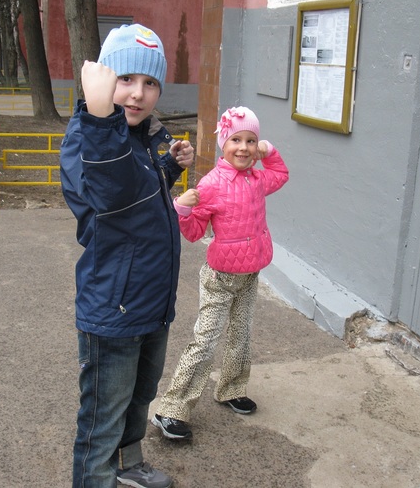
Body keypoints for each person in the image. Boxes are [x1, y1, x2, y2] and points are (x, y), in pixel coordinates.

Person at [59, 24, 195, 488]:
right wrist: (100, 116)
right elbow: (112, 194)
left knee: (139, 397)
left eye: (150, 82)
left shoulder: (140, 136)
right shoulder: (88, 138)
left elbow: (138, 196)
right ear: (103, 80)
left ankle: (129, 465)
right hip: (112, 310)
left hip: (151, 302)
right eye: (125, 79)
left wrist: (170, 166)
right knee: (103, 414)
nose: (138, 93)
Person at [151, 106, 289, 440]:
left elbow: (281, 174)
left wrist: (270, 152)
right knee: (205, 341)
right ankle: (171, 409)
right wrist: (182, 209)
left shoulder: (257, 178)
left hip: (250, 275)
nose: (244, 148)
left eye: (251, 141)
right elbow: (194, 233)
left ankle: (231, 388)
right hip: (220, 279)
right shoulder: (212, 184)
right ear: (223, 144)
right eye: (236, 140)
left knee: (241, 335)